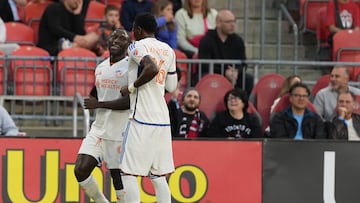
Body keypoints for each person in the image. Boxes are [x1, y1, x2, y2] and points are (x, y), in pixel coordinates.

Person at [119, 13, 178, 203]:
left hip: (141, 118)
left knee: (127, 173)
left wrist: (131, 87)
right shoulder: (169, 50)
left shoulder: (136, 45)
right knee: (158, 176)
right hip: (162, 119)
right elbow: (171, 86)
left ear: (137, 29)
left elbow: (151, 68)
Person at [74, 29, 131, 203]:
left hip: (119, 132)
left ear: (128, 45)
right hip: (98, 129)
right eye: (113, 37)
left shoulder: (131, 67)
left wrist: (98, 104)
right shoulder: (101, 67)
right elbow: (98, 93)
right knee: (80, 170)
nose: (116, 40)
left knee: (118, 178)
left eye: (121, 38)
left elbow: (129, 102)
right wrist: (94, 100)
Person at [198, 9, 253, 95]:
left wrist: (236, 71)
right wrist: (224, 72)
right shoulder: (207, 40)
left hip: (234, 75)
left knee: (248, 79)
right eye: (228, 22)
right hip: (213, 73)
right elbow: (204, 64)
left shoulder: (238, 40)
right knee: (203, 77)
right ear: (218, 23)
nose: (232, 25)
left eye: (234, 21)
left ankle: (242, 105)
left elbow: (243, 63)